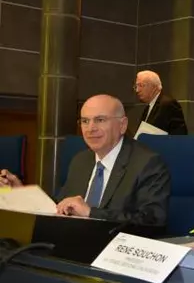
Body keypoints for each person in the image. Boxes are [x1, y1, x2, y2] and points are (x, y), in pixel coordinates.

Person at [0, 94, 171, 228]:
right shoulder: (80, 161)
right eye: (85, 121)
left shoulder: (147, 163)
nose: (90, 129)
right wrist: (21, 194)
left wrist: (91, 213)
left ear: (122, 125)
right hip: (73, 244)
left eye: (100, 120)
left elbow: (152, 221)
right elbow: (59, 207)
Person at [135, 70, 188, 135]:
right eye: (136, 86)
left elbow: (179, 135)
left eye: (141, 85)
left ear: (153, 87)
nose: (137, 90)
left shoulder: (168, 105)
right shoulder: (147, 108)